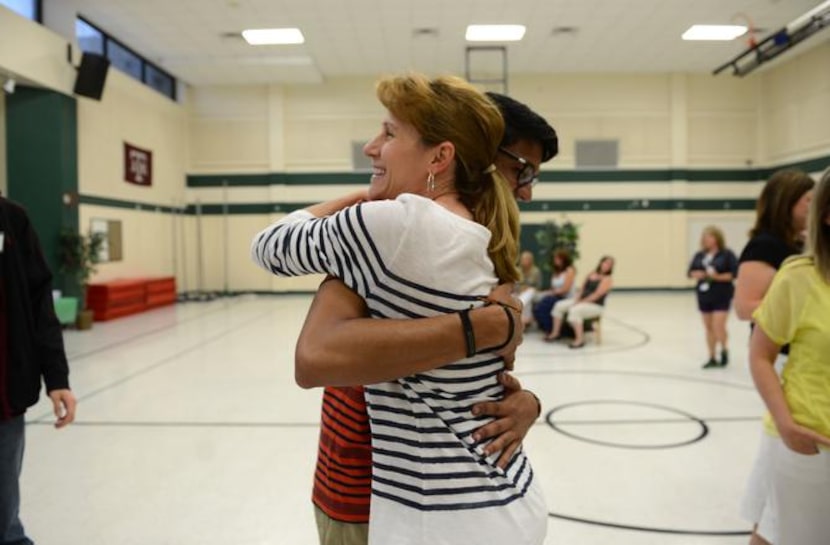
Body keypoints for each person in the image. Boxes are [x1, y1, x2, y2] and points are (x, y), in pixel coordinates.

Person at [252, 74, 547, 544]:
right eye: (523, 170)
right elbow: (323, 360)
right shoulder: (463, 241)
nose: (527, 190)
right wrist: (481, 328)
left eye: (389, 134)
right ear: (478, 154)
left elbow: (271, 252)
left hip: (421, 506)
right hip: (407, 492)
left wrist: (525, 401)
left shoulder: (416, 233)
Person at [743, 168, 830, 544]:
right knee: (780, 526)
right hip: (807, 426)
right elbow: (745, 309)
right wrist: (786, 422)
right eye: (805, 198)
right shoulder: (789, 267)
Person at [0, 196, 76, 545]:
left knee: (4, 521)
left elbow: (39, 302)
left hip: (4, 400)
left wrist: (56, 376)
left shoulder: (11, 219)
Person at [687, 226, 738, 369]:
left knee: (718, 325)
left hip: (721, 294)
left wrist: (717, 277)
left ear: (717, 238)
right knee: (708, 327)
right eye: (704, 237)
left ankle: (724, 348)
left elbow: (734, 274)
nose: (706, 240)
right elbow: (690, 272)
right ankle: (711, 356)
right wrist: (696, 274)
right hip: (704, 295)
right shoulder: (699, 255)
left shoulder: (727, 254)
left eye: (709, 237)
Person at [545, 255, 614, 348]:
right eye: (605, 262)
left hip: (596, 305)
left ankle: (579, 340)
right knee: (559, 305)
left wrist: (581, 302)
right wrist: (577, 299)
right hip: (581, 300)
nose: (607, 265)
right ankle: (555, 333)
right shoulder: (591, 274)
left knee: (575, 310)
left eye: (609, 264)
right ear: (601, 263)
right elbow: (582, 289)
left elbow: (596, 295)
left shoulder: (607, 279)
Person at [532, 250, 576, 334]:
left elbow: (565, 289)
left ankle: (552, 330)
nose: (556, 260)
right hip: (556, 295)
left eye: (558, 258)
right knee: (537, 300)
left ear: (564, 260)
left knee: (543, 306)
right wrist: (549, 292)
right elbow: (553, 287)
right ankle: (545, 326)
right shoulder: (556, 271)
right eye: (555, 258)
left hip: (565, 297)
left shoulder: (569, 270)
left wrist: (552, 293)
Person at [516, 251, 542, 328]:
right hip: (519, 292)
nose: (524, 261)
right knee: (527, 301)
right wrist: (521, 288)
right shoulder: (517, 270)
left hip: (533, 292)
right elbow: (515, 284)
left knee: (529, 292)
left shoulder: (536, 271)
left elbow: (537, 286)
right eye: (523, 259)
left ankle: (519, 309)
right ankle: (525, 320)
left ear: (531, 260)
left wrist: (527, 287)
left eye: (526, 259)